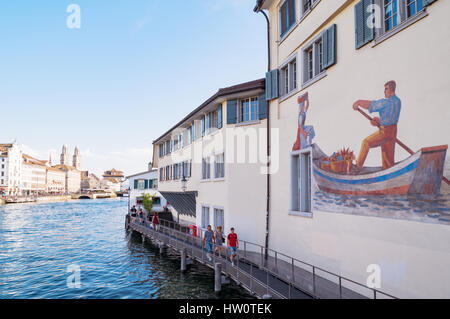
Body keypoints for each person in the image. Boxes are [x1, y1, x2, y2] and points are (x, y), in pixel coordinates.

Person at [353, 81, 401, 170]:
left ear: (391, 89)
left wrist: (358, 102)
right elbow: (390, 118)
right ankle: (389, 174)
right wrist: (380, 121)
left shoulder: (386, 102)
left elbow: (372, 105)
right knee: (388, 160)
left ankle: (357, 167)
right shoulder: (397, 101)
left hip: (385, 132)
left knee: (366, 143)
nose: (384, 91)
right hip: (393, 131)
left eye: (386, 89)